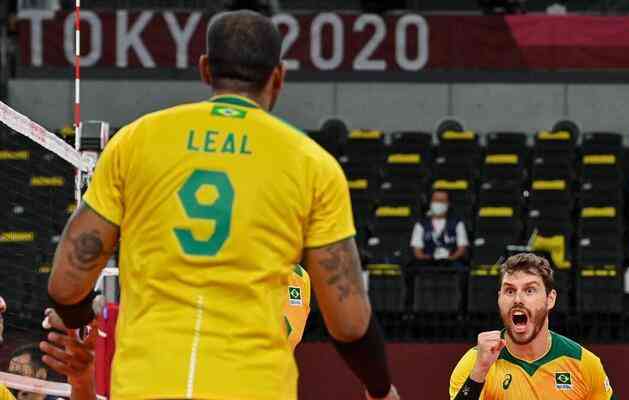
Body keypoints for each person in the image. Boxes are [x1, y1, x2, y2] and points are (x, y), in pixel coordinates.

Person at [46, 10, 398, 400]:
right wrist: (380, 388)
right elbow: (349, 323)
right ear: (278, 76)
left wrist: (79, 326)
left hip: (148, 384)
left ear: (205, 69)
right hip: (253, 386)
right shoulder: (310, 163)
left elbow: (66, 285)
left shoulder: (136, 141)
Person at [449, 253, 616, 400]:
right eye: (509, 291)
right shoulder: (475, 363)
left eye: (530, 290)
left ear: (550, 299)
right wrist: (479, 372)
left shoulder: (583, 363)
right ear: (499, 298)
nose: (518, 299)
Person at [410, 190, 468, 268]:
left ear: (448, 204)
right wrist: (430, 258)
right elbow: (417, 252)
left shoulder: (457, 223)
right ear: (431, 202)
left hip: (452, 261)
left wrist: (450, 258)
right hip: (427, 262)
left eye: (442, 200)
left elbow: (462, 248)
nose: (438, 203)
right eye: (436, 200)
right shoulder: (420, 224)